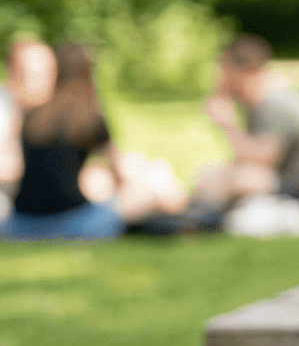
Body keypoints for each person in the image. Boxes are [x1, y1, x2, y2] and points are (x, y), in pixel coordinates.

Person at [1, 43, 185, 241]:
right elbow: (123, 175)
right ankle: (193, 218)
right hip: (74, 225)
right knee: (155, 185)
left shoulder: (32, 116)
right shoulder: (88, 120)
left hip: (19, 225)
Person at [195, 35, 299, 213]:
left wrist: (227, 125)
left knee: (234, 179)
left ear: (248, 71)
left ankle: (201, 220)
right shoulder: (259, 99)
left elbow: (262, 159)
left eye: (225, 71)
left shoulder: (274, 103)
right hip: (281, 178)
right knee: (214, 174)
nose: (219, 79)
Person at [2, 39, 59, 207]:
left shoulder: (52, 112)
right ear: (13, 75)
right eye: (36, 75)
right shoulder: (4, 107)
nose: (47, 83)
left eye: (51, 73)